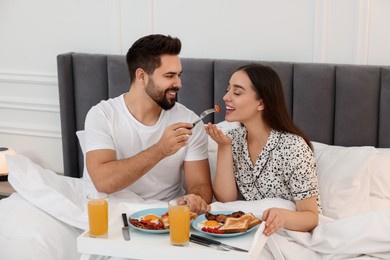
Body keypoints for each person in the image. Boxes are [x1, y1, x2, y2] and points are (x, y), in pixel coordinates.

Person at [84, 34, 213, 213]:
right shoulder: (102, 115)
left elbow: (201, 186)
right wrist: (159, 150)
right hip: (114, 213)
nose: (179, 84)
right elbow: (103, 182)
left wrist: (195, 198)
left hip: (167, 215)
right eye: (169, 76)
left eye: (179, 75)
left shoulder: (190, 121)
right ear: (142, 76)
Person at [205, 64, 322, 236]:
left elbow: (311, 217)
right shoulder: (234, 139)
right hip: (251, 228)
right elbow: (226, 199)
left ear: (261, 103)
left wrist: (283, 217)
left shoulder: (293, 147)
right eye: (228, 90)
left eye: (236, 93)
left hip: (287, 229)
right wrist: (224, 147)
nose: (225, 97)